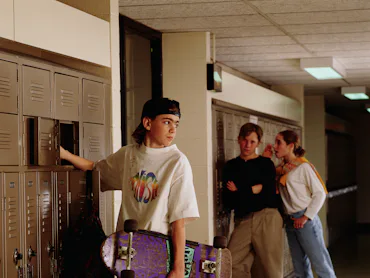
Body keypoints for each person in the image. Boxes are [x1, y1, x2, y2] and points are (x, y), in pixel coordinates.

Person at [60, 98, 200, 278]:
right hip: (125, 252)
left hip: (156, 254)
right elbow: (95, 169)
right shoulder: (128, 155)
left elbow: (178, 222)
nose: (173, 129)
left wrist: (178, 269)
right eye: (167, 122)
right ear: (148, 123)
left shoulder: (177, 162)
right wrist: (65, 154)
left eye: (176, 124)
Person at [264, 130, 336, 278]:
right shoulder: (283, 167)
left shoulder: (303, 167)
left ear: (290, 146)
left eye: (279, 142)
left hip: (305, 220)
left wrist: (306, 217)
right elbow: (267, 178)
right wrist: (265, 159)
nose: (275, 146)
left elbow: (320, 193)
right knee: (299, 267)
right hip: (290, 220)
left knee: (321, 264)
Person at [222, 123, 283, 278]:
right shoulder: (231, 166)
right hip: (243, 219)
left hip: (266, 217)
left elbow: (268, 194)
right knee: (230, 262)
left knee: (270, 268)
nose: (247, 145)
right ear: (238, 139)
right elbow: (229, 200)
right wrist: (254, 189)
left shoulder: (265, 164)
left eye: (252, 142)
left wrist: (240, 190)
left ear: (258, 143)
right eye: (244, 140)